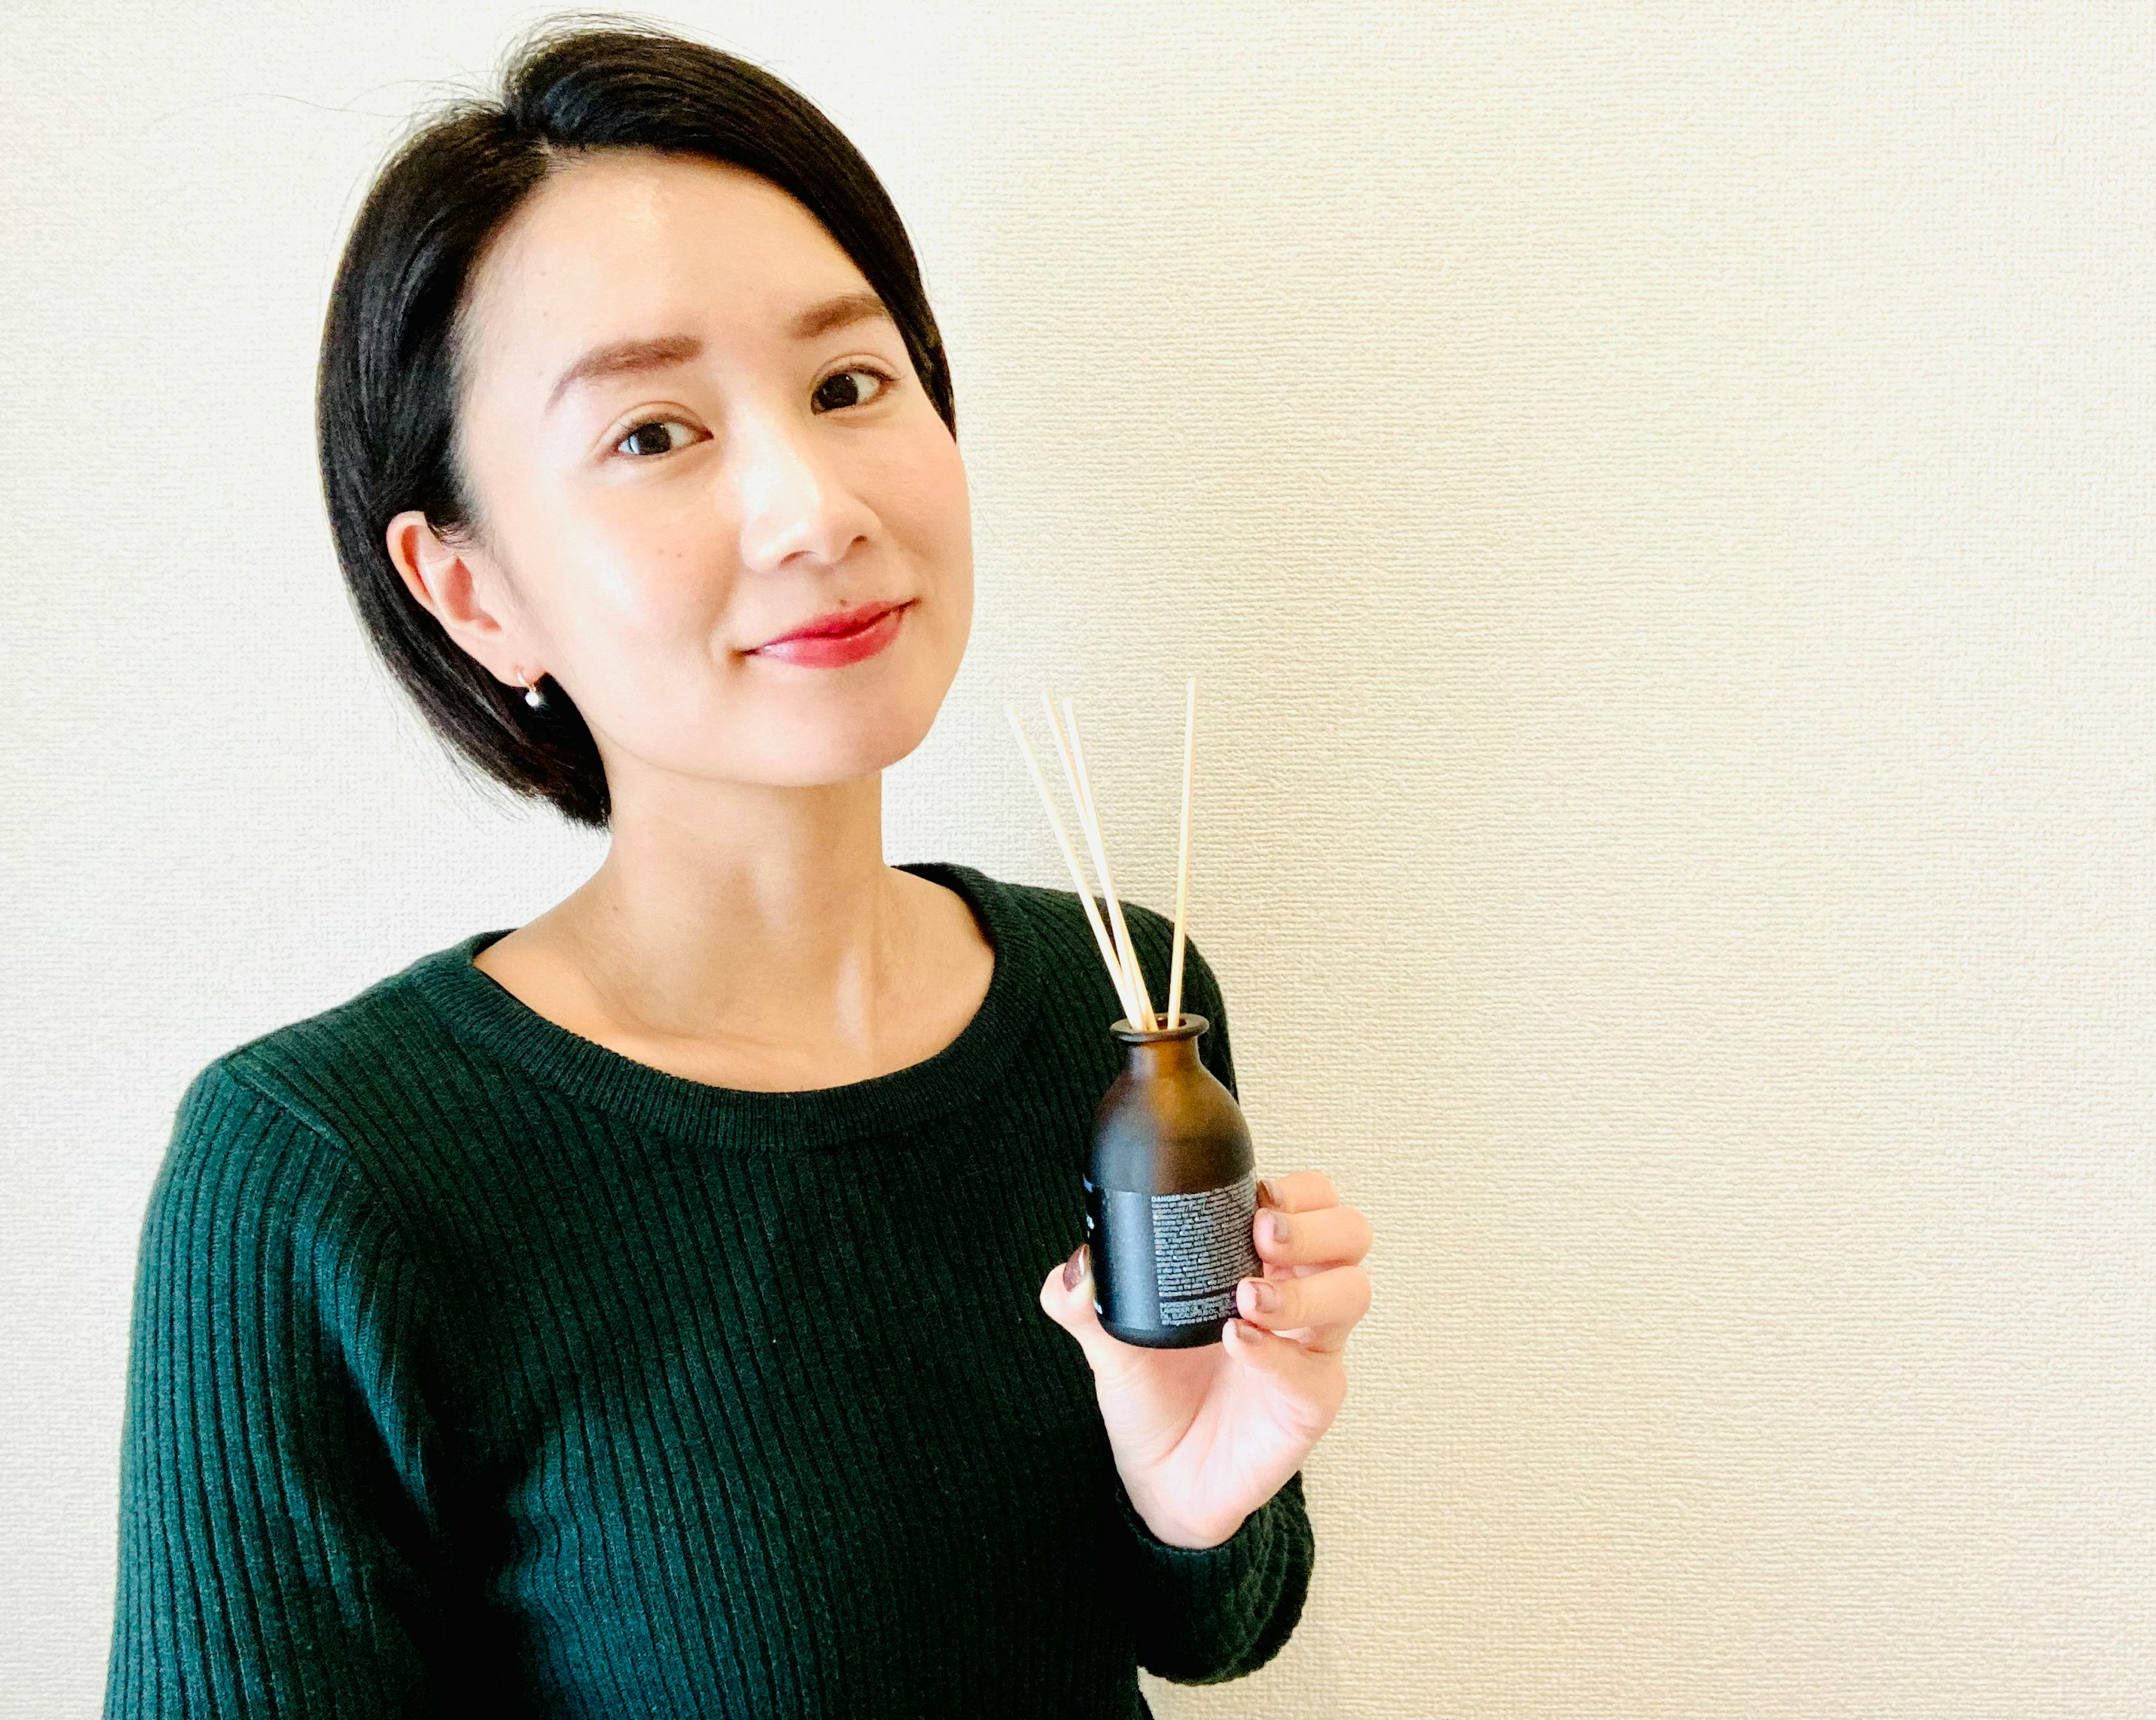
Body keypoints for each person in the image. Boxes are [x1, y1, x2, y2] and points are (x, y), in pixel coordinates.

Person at [104, 20, 1375, 1719]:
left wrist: (1202, 1485)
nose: (813, 506)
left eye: (852, 385)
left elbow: (1207, 1625)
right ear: (474, 590)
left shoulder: (1124, 1000)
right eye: (652, 434)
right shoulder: (323, 1175)